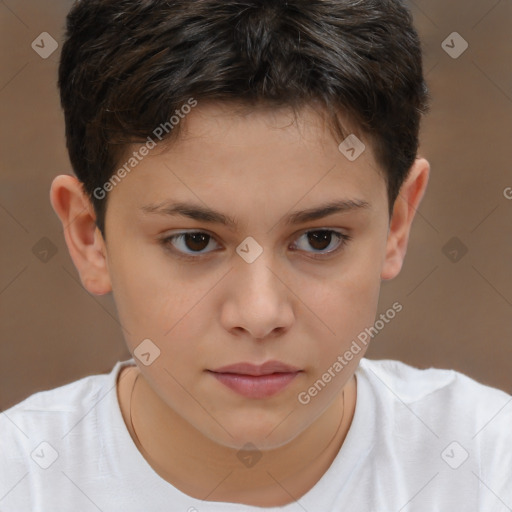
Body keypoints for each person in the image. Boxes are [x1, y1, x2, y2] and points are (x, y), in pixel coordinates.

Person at [1, 0, 510, 510]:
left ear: (397, 224)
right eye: (194, 241)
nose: (260, 314)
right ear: (91, 236)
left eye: (320, 239)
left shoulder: (488, 465)